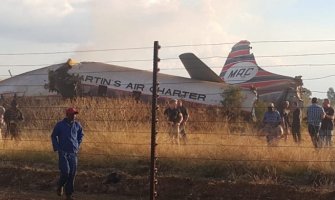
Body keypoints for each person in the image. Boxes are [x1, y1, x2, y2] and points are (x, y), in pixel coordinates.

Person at [51, 107, 84, 200]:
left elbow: (81, 135)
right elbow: (53, 136)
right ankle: (60, 185)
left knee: (72, 174)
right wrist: (57, 148)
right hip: (63, 152)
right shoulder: (60, 125)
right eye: (72, 114)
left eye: (75, 114)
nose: (74, 116)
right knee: (65, 172)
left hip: (73, 152)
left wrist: (77, 144)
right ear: (67, 115)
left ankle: (69, 195)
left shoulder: (77, 125)